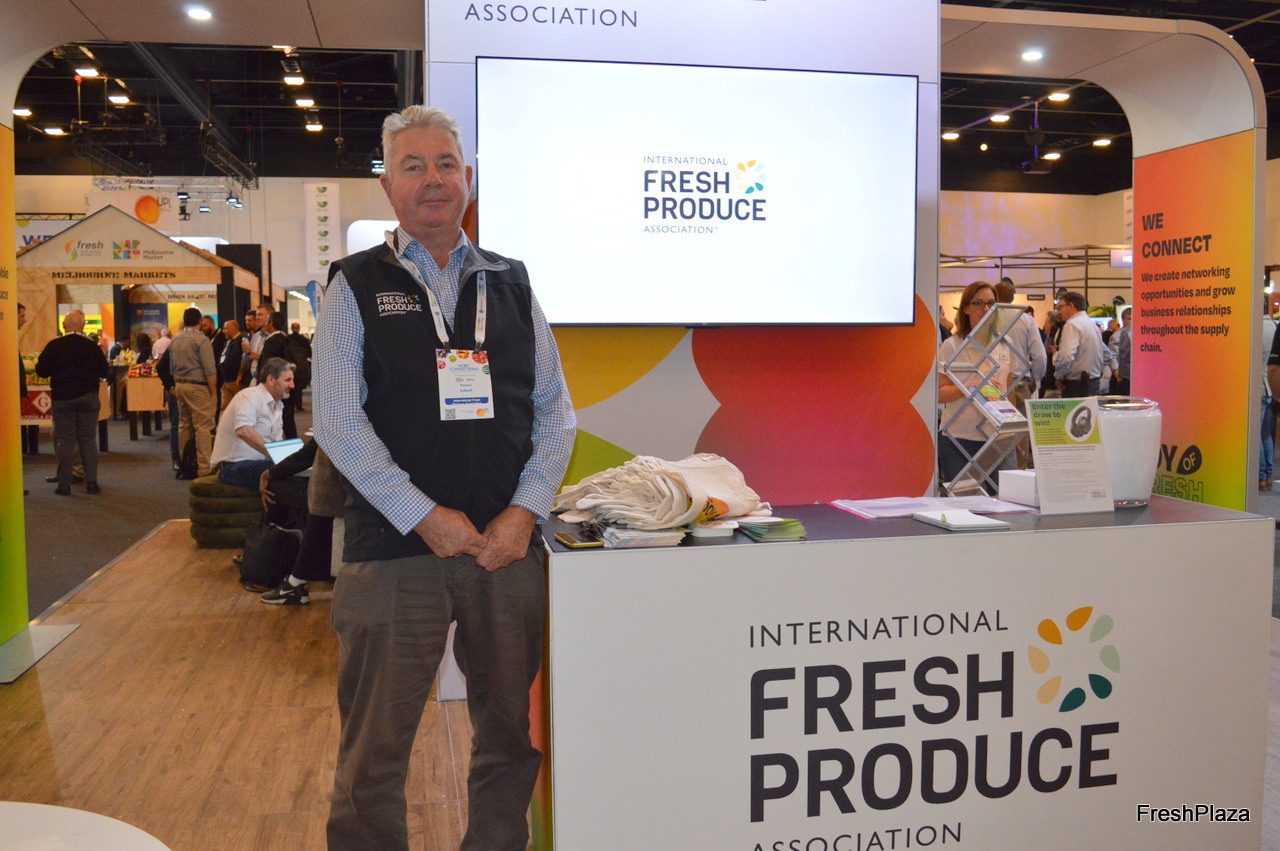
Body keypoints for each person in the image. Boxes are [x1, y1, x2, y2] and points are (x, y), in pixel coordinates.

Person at [315, 105, 576, 851]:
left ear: (468, 179)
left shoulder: (511, 283)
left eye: (446, 164)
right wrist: (426, 516)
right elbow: (338, 421)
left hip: (504, 553)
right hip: (395, 554)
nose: (433, 180)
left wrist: (524, 514)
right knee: (374, 752)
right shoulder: (354, 285)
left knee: (509, 739)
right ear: (388, 186)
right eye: (413, 166)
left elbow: (556, 415)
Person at [937, 281, 1011, 494]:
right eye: (978, 303)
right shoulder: (952, 345)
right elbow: (938, 394)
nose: (986, 309)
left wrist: (1011, 427)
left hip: (999, 437)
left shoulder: (1004, 344)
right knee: (964, 501)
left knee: (1008, 498)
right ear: (966, 308)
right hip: (960, 437)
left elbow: (1008, 390)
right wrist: (968, 387)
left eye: (991, 303)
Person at [35, 309, 108, 495]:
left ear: (63, 325)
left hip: (63, 398)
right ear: (83, 326)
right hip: (88, 397)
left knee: (66, 441)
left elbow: (41, 370)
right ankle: (92, 483)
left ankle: (64, 484)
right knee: (88, 439)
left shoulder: (54, 345)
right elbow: (104, 371)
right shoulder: (92, 346)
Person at [210, 356, 295, 490]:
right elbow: (243, 430)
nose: (292, 385)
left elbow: (275, 443)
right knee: (287, 473)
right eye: (287, 380)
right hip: (232, 466)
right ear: (271, 380)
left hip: (256, 464)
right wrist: (275, 454)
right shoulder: (250, 395)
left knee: (295, 469)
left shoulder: (278, 405)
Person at [169, 307, 219, 478]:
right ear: (200, 321)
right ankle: (204, 467)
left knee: (184, 425)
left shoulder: (175, 340)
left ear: (184, 321)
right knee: (203, 427)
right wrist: (213, 392)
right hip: (198, 387)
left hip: (180, 385)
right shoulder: (202, 340)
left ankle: (186, 464)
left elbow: (171, 367)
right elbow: (210, 369)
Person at [254, 308, 298, 439]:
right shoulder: (286, 339)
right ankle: (294, 446)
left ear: (271, 323)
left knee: (273, 419)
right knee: (288, 419)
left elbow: (267, 367)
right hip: (289, 385)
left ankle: (275, 446)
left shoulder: (271, 341)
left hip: (275, 388)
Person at [1053, 291, 1106, 397]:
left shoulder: (1071, 324)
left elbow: (1067, 356)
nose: (1059, 312)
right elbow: (1106, 354)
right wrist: (1097, 372)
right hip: (1093, 382)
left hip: (1076, 386)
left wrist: (1058, 377)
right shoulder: (1092, 325)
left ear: (1071, 306)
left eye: (1060, 307)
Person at [218, 319, 245, 410]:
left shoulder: (241, 341)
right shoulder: (228, 342)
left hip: (236, 382)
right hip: (226, 381)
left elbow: (240, 360)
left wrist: (239, 376)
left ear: (234, 328)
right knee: (225, 409)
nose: (223, 331)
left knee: (240, 408)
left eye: (226, 328)